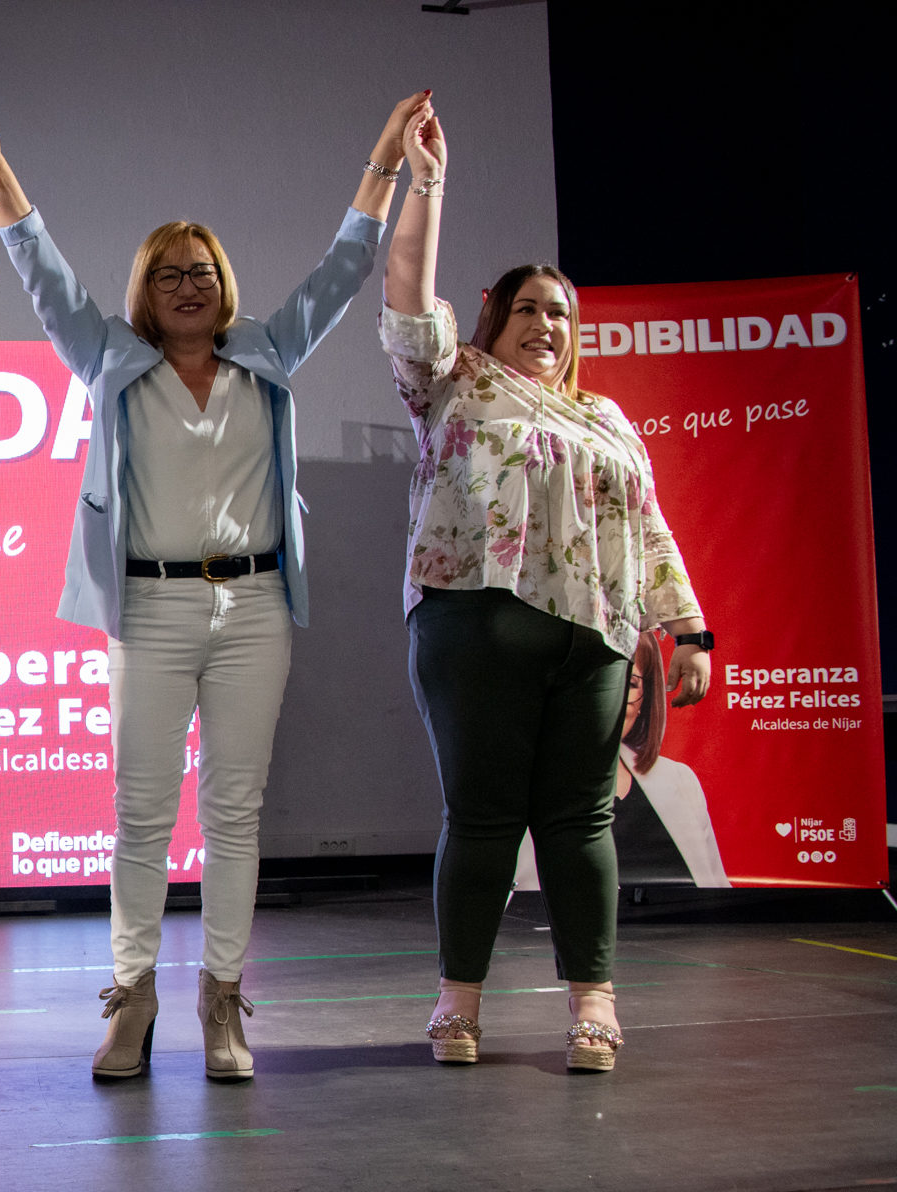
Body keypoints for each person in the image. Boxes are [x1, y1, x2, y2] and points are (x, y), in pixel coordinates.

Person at [0, 93, 426, 1082]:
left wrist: (384, 157)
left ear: (223, 285)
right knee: (138, 812)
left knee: (233, 810)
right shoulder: (111, 360)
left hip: (253, 605)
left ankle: (220, 999)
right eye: (166, 274)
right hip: (150, 606)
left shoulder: (267, 350)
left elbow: (346, 269)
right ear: (144, 289)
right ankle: (130, 999)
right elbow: (43, 278)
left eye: (200, 272)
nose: (184, 286)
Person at [378, 100, 710, 1073]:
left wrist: (680, 631)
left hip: (595, 642)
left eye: (560, 314)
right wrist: (426, 183)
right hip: (473, 624)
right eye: (527, 307)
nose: (545, 324)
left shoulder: (606, 419)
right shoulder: (453, 381)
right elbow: (404, 289)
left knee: (579, 820)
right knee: (479, 817)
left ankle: (592, 1008)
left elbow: (645, 528)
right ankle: (456, 1005)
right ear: (495, 316)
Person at [515, 631, 728, 889]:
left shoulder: (680, 781)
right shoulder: (513, 779)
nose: (606, 695)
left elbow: (717, 892)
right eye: (588, 679)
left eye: (630, 683)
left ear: (645, 701)